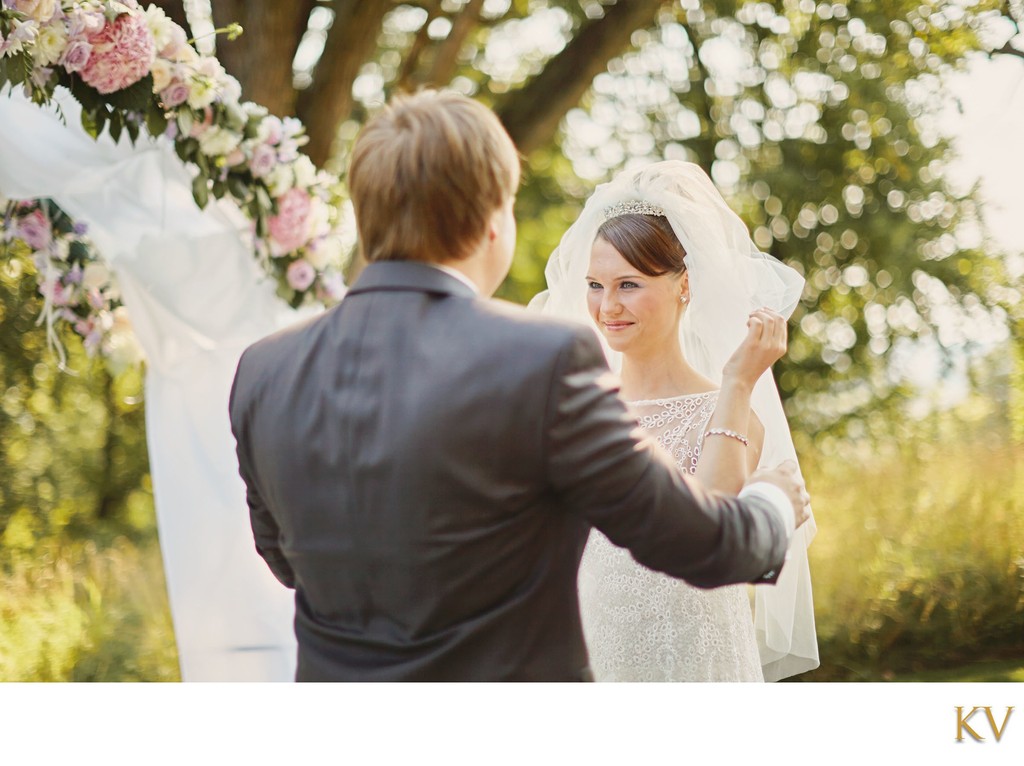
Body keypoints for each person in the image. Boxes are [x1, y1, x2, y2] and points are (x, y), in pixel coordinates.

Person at [228, 91, 810, 682]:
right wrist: (774, 502)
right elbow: (702, 545)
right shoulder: (544, 360)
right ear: (490, 223)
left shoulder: (264, 370)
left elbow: (284, 558)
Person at [531, 161, 819, 681]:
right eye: (595, 284)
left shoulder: (729, 412)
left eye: (629, 284)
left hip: (697, 666)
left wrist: (737, 381)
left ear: (683, 284)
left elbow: (711, 522)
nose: (607, 306)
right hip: (597, 659)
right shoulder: (577, 412)